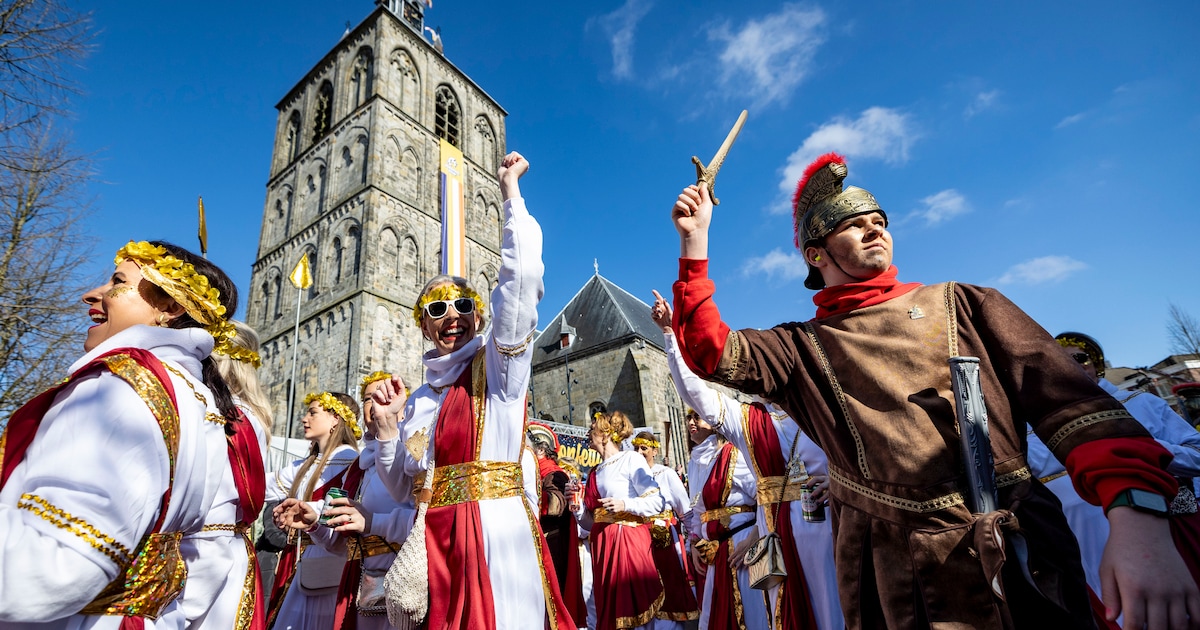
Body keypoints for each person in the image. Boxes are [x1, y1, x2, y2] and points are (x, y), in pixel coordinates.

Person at [668, 152, 1200, 629]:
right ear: (815, 254)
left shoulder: (966, 303)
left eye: (880, 221)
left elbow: (1075, 405)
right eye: (855, 226)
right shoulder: (799, 347)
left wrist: (1138, 518)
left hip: (1023, 553)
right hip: (894, 573)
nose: (876, 231)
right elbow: (710, 350)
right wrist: (696, 241)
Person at [369, 151, 577, 629]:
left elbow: (521, 283)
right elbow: (404, 489)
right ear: (424, 327)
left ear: (479, 316)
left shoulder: (498, 371)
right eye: (437, 310)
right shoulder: (419, 399)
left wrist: (511, 193)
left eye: (463, 304)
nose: (452, 317)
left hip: (494, 535)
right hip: (435, 546)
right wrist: (385, 434)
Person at [0, 240, 237, 627]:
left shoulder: (117, 388)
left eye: (117, 281)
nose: (92, 293)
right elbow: (203, 553)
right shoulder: (196, 400)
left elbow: (55, 567)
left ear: (171, 307)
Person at [654, 293, 834, 630]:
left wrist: (838, 481)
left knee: (829, 606)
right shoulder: (747, 419)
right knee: (772, 615)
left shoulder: (819, 409)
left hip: (821, 527)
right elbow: (697, 394)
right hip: (770, 538)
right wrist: (670, 336)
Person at [1053, 332, 1200, 588]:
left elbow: (1197, 456)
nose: (1073, 365)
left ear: (1097, 365)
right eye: (1062, 361)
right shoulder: (1040, 427)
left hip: (1167, 532)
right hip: (1085, 550)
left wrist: (1143, 450)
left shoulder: (1142, 402)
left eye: (1081, 358)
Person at [275, 371, 415, 629]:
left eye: (384, 395)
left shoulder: (414, 456)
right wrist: (314, 521)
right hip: (357, 588)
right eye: (367, 399)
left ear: (403, 405)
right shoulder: (355, 469)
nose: (375, 405)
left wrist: (374, 522)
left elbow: (429, 523)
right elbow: (340, 545)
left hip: (402, 587)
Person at [175, 320, 272, 629]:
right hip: (202, 561)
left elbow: (217, 513)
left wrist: (180, 604)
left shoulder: (233, 419)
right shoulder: (228, 412)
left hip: (206, 567)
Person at [572, 411, 677, 630]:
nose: (588, 433)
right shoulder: (594, 472)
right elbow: (591, 524)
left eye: (592, 429)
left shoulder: (630, 459)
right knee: (609, 612)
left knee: (632, 611)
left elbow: (657, 501)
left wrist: (625, 504)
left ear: (605, 435)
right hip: (602, 545)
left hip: (627, 540)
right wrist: (578, 508)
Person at [266, 391, 361, 629]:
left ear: (335, 419)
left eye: (313, 412)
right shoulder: (307, 463)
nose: (304, 419)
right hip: (296, 557)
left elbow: (342, 507)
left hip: (327, 559)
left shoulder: (349, 460)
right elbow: (261, 486)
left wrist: (307, 511)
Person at [632, 430, 700, 624]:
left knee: (670, 583)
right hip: (640, 538)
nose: (639, 452)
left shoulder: (666, 474)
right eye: (636, 448)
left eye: (644, 448)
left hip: (665, 535)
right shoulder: (631, 476)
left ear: (654, 450)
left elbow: (685, 511)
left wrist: (694, 540)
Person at [529, 422, 588, 626]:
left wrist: (527, 498)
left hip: (553, 545)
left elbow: (557, 505)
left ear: (541, 449)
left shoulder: (554, 473)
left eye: (528, 446)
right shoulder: (535, 472)